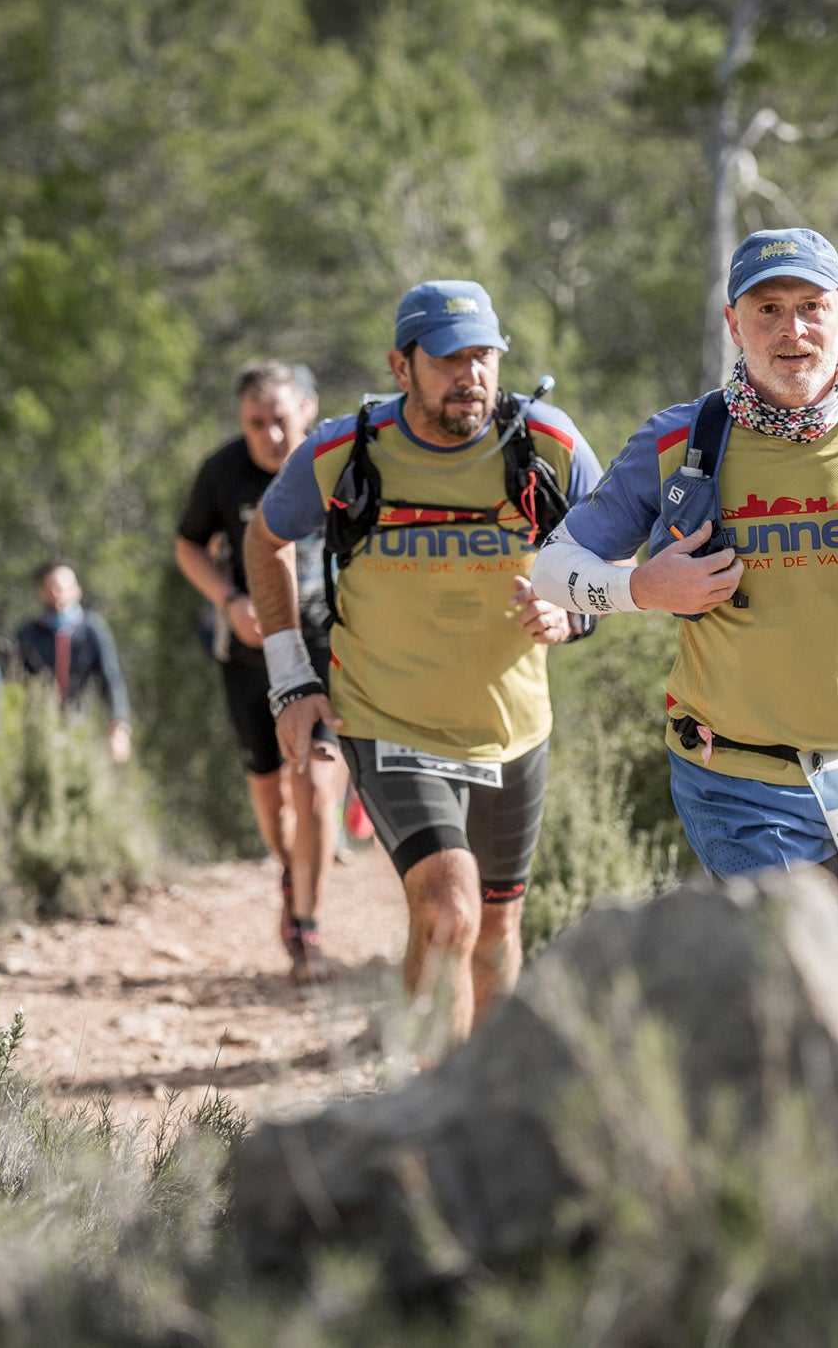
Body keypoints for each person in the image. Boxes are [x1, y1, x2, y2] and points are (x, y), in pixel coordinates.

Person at [531, 228, 838, 916]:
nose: (792, 329)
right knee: (788, 986)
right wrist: (640, 588)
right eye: (767, 309)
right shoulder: (680, 440)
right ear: (734, 323)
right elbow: (552, 567)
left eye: (811, 306)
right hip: (737, 778)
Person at [245, 280, 602, 1044]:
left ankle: (481, 1107)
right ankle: (418, 1107)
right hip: (387, 717)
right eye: (447, 360)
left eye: (483, 357)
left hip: (512, 730)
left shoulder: (546, 444)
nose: (470, 375)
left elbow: (609, 554)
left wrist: (573, 612)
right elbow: (264, 539)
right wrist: (291, 681)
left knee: (496, 931)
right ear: (401, 367)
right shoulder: (347, 450)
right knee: (448, 910)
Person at [174, 359, 348, 983]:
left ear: (308, 408)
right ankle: (292, 866)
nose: (270, 437)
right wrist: (230, 600)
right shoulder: (223, 472)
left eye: (280, 421)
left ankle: (307, 923)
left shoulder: (342, 462)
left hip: (332, 646)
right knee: (274, 798)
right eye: (255, 424)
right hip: (249, 655)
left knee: (317, 782)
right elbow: (188, 545)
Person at [14, 558, 133, 764]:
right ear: (41, 591)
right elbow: (14, 684)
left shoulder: (92, 629)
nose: (57, 591)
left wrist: (118, 726)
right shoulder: (28, 634)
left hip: (83, 724)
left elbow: (111, 679)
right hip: (38, 727)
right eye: (51, 585)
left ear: (77, 589)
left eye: (63, 585)